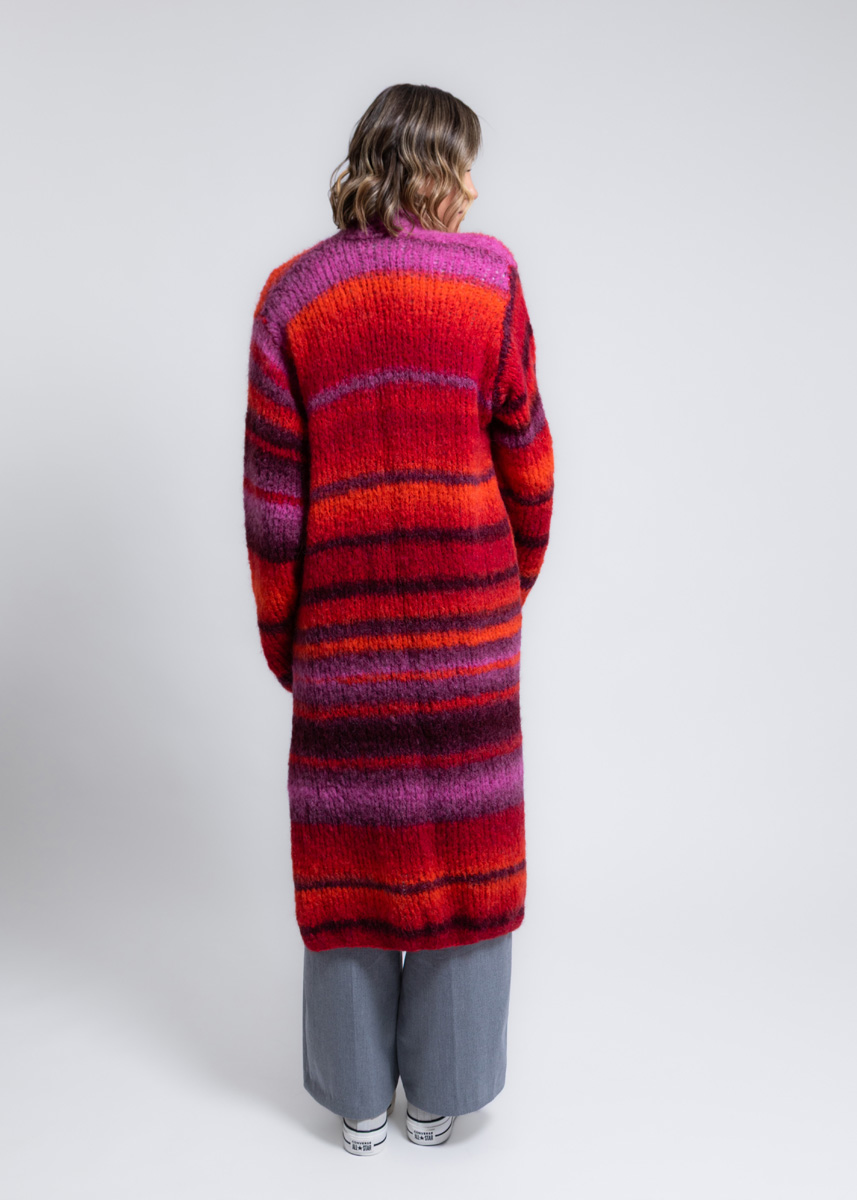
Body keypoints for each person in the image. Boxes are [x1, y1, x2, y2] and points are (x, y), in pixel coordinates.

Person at [243, 82, 554, 1154]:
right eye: (463, 164)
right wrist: (501, 583)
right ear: (430, 166)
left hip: (341, 627)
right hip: (468, 623)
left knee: (349, 842)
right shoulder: (488, 279)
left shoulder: (293, 296)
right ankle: (442, 1095)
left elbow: (272, 501)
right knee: (467, 836)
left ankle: (355, 1102)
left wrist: (290, 638)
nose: (472, 187)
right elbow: (528, 461)